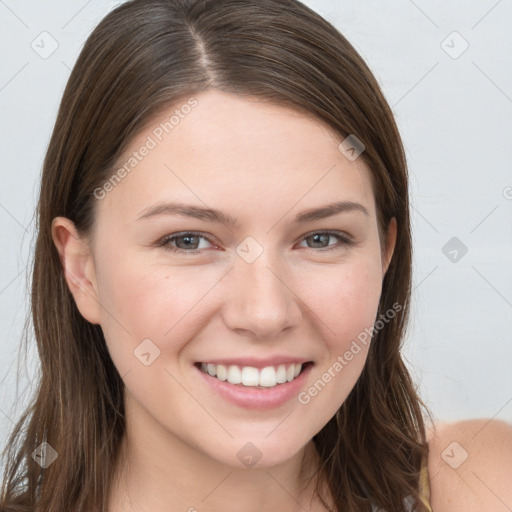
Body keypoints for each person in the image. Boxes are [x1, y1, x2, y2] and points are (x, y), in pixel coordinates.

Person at [1, 1, 511, 511]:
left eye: (321, 239)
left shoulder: (479, 487)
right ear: (82, 272)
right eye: (188, 241)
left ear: (385, 255)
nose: (265, 313)